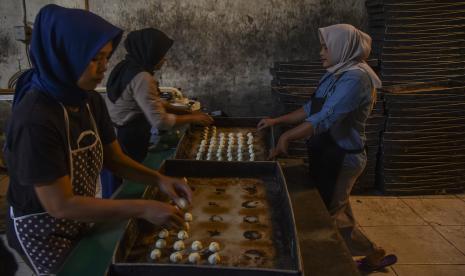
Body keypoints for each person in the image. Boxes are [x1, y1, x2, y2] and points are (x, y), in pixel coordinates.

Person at [4, 5, 191, 275]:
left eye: (106, 57)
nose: (104, 67)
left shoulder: (89, 100)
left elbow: (115, 159)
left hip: (78, 214)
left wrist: (159, 179)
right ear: (65, 57)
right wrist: (141, 208)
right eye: (94, 59)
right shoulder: (36, 118)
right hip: (41, 228)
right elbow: (60, 205)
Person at [258, 24, 397, 271]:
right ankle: (373, 253)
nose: (321, 52)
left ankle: (328, 266)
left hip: (342, 158)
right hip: (326, 153)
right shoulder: (335, 73)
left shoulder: (356, 78)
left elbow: (324, 118)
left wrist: (287, 137)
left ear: (343, 48)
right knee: (336, 211)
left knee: (322, 220)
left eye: (325, 47)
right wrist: (277, 122)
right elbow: (311, 109)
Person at [103, 28, 213, 197]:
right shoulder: (142, 77)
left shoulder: (126, 66)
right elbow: (160, 121)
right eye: (161, 54)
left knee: (115, 185)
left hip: (113, 131)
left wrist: (182, 111)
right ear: (150, 53)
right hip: (126, 137)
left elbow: (148, 102)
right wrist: (192, 118)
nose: (164, 59)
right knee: (128, 188)